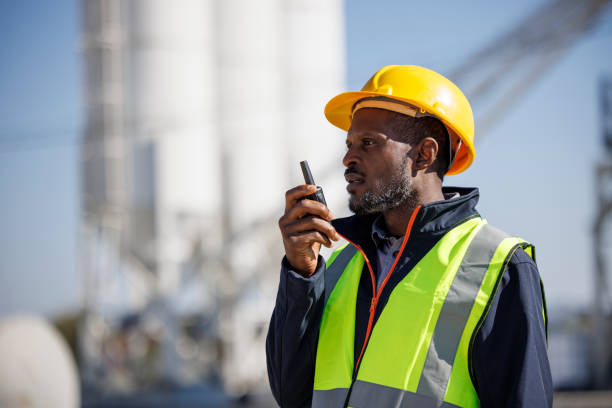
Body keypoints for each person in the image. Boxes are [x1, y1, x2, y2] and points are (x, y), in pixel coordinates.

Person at [266, 65, 552, 408]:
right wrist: (301, 275)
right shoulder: (341, 265)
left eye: (368, 142)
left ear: (424, 154)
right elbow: (291, 395)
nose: (348, 158)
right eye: (350, 143)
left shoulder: (498, 266)